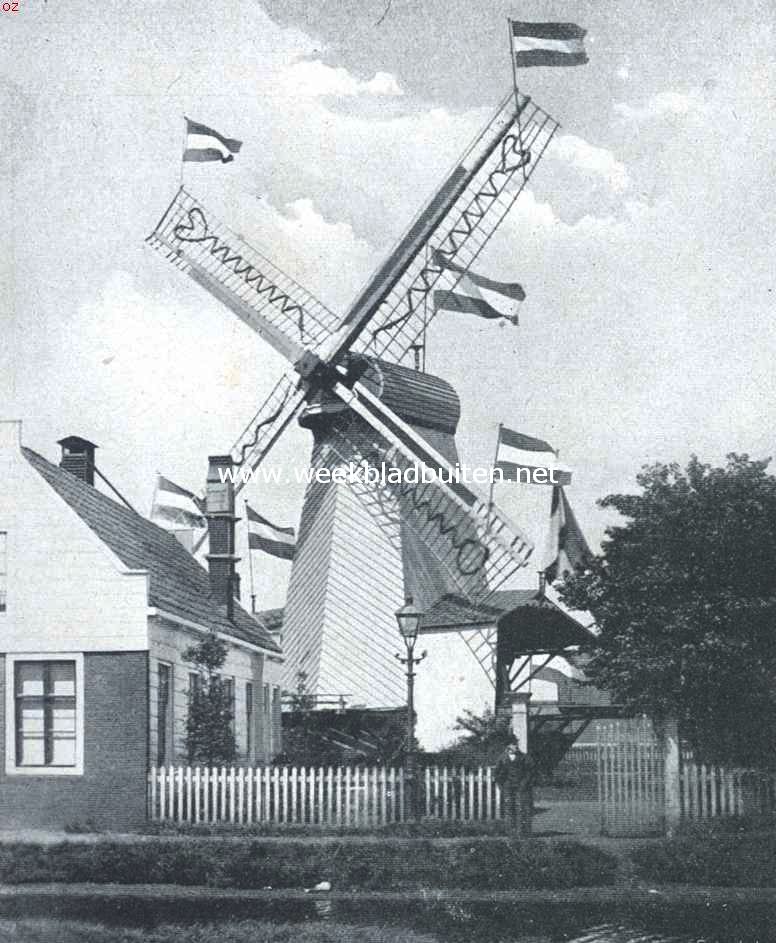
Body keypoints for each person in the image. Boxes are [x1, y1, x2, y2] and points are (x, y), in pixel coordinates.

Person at [494, 737, 534, 835]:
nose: (515, 746)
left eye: (516, 744)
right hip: (508, 787)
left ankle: (522, 832)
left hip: (521, 787)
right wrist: (502, 785)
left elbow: (530, 772)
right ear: (508, 746)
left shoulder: (524, 757)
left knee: (521, 808)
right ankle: (511, 832)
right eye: (513, 744)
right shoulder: (502, 758)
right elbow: (497, 773)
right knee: (509, 808)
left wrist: (524, 783)